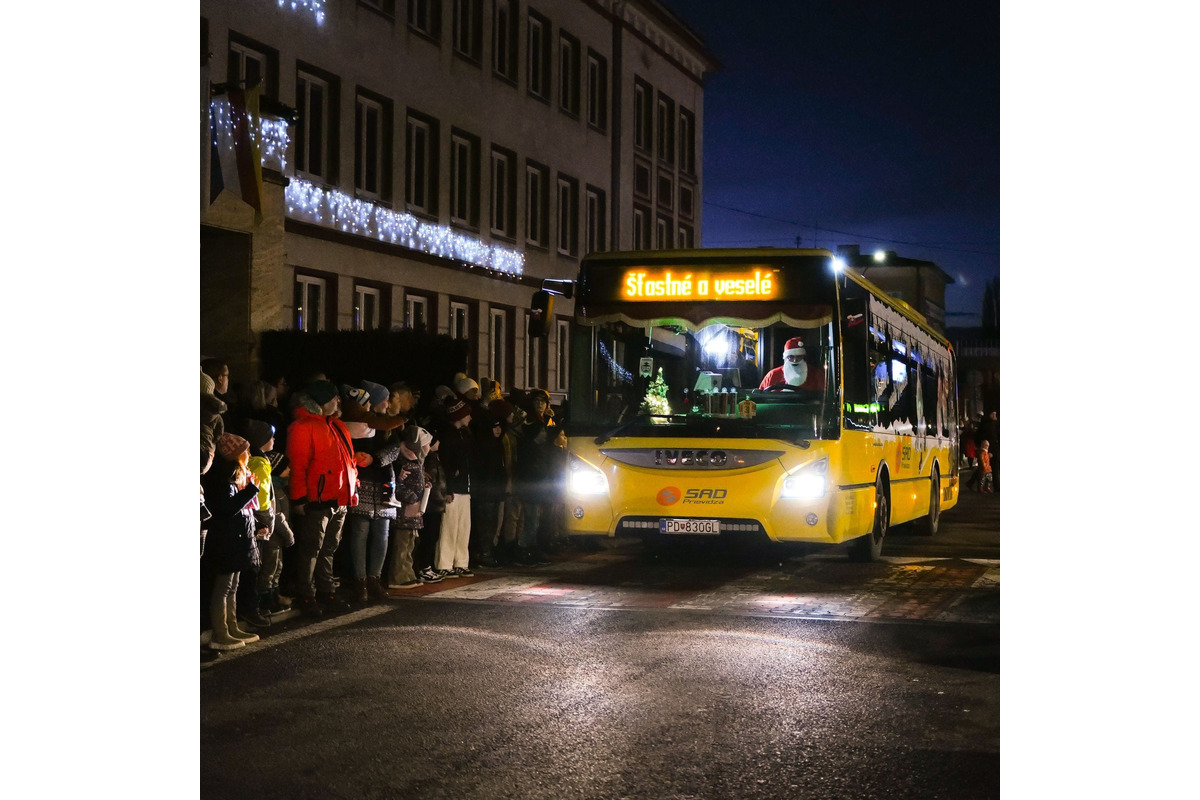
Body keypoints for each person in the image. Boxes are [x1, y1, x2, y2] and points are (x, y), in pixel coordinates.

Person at [287, 380, 359, 617]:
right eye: (333, 398)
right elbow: (298, 466)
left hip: (338, 499)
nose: (338, 401)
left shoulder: (337, 425)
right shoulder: (303, 427)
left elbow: (349, 461)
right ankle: (306, 595)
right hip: (318, 500)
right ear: (320, 402)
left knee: (328, 548)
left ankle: (326, 591)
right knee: (312, 549)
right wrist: (298, 499)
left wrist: (353, 488)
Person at [202, 434, 262, 651]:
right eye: (245, 450)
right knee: (224, 587)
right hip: (225, 539)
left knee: (233, 586)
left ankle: (232, 627)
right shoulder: (223, 476)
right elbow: (226, 509)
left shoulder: (235, 475)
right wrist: (249, 491)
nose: (249, 454)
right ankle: (221, 633)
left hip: (236, 538)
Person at [344, 384, 401, 604]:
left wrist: (375, 459)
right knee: (360, 532)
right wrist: (359, 457)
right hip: (363, 481)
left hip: (384, 482)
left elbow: (395, 448)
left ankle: (374, 578)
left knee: (382, 533)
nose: (387, 404)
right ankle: (360, 581)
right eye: (384, 400)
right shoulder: (355, 425)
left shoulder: (387, 426)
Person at [514, 389, 563, 566]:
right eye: (537, 402)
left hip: (542, 476)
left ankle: (532, 548)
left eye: (543, 402)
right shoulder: (531, 422)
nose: (540, 405)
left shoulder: (543, 421)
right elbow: (539, 440)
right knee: (531, 518)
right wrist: (553, 425)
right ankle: (525, 550)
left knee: (537, 517)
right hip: (531, 477)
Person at [387, 426, 433, 590]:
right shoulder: (404, 463)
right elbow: (398, 486)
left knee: (410, 544)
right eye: (425, 445)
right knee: (402, 544)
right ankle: (398, 576)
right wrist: (413, 497)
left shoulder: (417, 463)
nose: (428, 448)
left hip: (414, 512)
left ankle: (408, 573)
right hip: (405, 512)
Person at [434, 398, 475, 578]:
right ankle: (444, 563)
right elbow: (446, 464)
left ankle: (460, 562)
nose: (470, 417)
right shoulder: (449, 436)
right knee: (449, 528)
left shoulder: (463, 435)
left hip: (464, 488)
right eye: (467, 414)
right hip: (454, 489)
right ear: (459, 416)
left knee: (463, 527)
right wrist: (448, 488)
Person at [757, 336, 827, 391]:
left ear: (804, 357)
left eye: (799, 357)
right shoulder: (772, 375)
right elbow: (761, 397)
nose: (795, 360)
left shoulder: (816, 375)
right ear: (785, 358)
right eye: (790, 357)